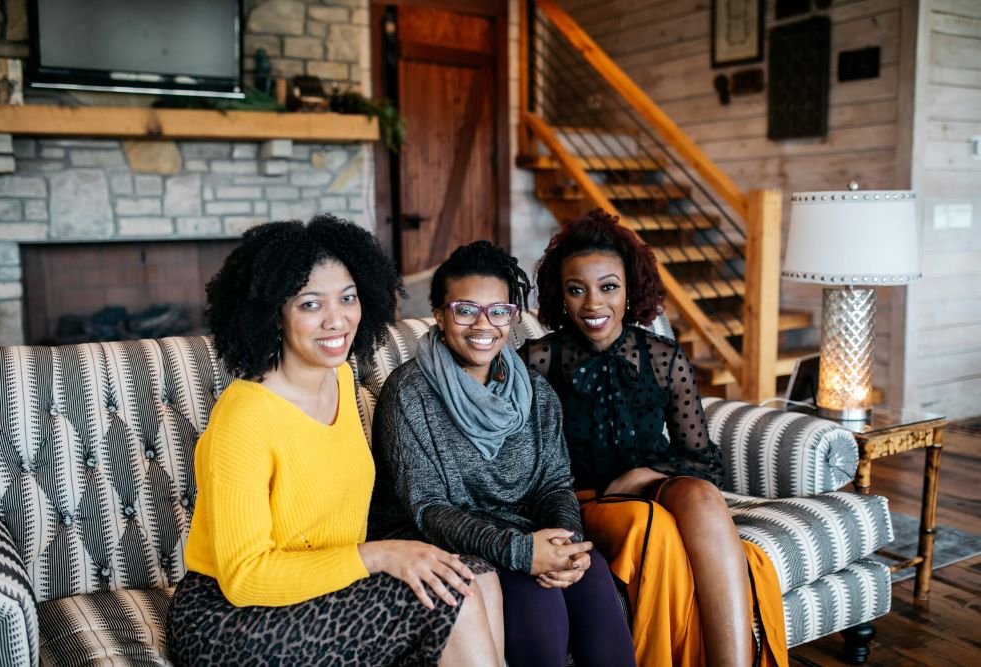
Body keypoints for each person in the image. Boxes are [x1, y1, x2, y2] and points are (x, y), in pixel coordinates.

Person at [166, 216, 502, 666]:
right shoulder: (244, 417)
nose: (336, 319)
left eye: (348, 298)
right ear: (273, 315)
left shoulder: (340, 378)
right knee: (447, 596)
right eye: (310, 305)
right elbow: (245, 577)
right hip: (229, 617)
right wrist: (378, 556)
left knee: (473, 575)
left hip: (321, 587)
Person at [520, 209, 788, 667]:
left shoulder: (663, 358)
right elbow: (528, 463)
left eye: (608, 287)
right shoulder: (540, 359)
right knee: (656, 527)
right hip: (582, 499)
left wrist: (643, 475)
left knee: (703, 497)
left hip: (649, 484)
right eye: (576, 289)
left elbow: (704, 461)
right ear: (559, 295)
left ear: (630, 291)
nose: (593, 304)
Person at [369, 241, 636, 667]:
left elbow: (554, 484)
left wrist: (564, 544)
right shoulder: (408, 392)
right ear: (439, 314)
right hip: (434, 539)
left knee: (593, 575)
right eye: (465, 309)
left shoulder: (535, 392)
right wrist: (522, 552)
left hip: (521, 534)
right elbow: (428, 508)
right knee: (537, 598)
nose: (484, 324)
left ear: (512, 319)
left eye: (498, 311)